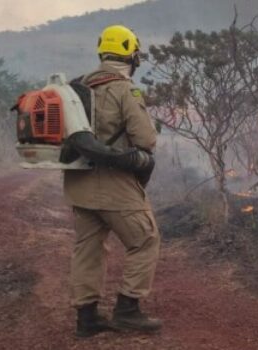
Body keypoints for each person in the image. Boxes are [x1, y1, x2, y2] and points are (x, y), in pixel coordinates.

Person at [65, 24, 162, 338]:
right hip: (113, 183)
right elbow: (145, 139)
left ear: (102, 51)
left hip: (78, 183)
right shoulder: (124, 89)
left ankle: (87, 318)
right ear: (132, 54)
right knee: (145, 239)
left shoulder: (77, 86)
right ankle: (127, 311)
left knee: (88, 248)